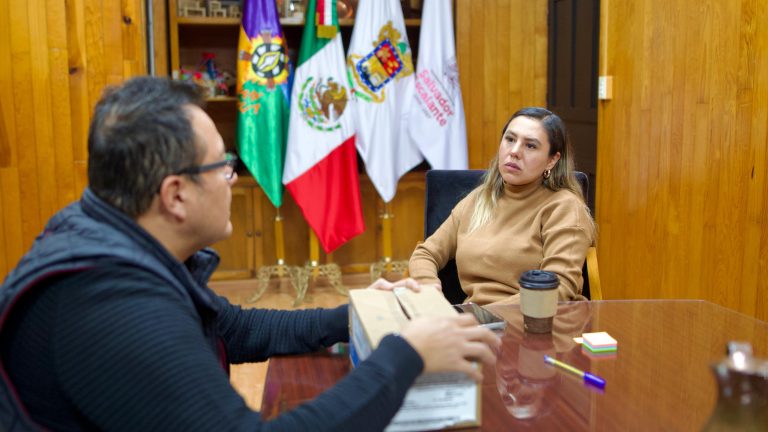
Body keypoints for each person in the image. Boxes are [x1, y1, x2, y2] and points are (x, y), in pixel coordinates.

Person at [0, 77, 499, 431]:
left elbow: (232, 329)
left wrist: (355, 316)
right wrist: (406, 355)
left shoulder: (112, 234)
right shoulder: (111, 303)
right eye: (222, 164)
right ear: (175, 195)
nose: (233, 176)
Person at [409, 107, 596, 305]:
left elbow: (557, 290)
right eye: (510, 139)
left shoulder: (565, 207)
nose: (514, 152)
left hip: (536, 319)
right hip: (474, 319)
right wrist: (430, 289)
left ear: (552, 160)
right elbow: (426, 253)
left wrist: (482, 316)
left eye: (530, 146)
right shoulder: (480, 198)